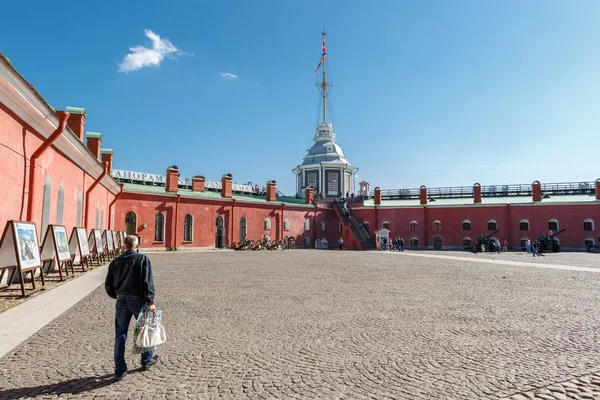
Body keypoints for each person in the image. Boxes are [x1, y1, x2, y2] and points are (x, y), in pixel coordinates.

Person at [105, 235, 158, 382]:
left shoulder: (116, 261)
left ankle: (120, 370)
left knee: (120, 335)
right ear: (137, 245)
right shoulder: (142, 259)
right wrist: (150, 301)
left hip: (122, 299)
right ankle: (146, 360)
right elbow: (147, 282)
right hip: (138, 300)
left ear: (124, 246)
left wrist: (117, 295)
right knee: (144, 330)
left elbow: (108, 283)